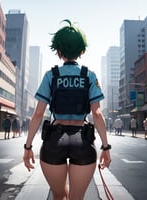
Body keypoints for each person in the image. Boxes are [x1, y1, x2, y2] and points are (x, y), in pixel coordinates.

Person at [23, 20, 111, 200]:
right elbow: (97, 114)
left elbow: (38, 114)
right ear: (81, 50)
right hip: (83, 140)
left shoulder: (51, 75)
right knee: (77, 198)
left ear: (59, 51)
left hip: (55, 140)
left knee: (59, 195)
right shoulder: (89, 75)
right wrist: (106, 147)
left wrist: (28, 147)